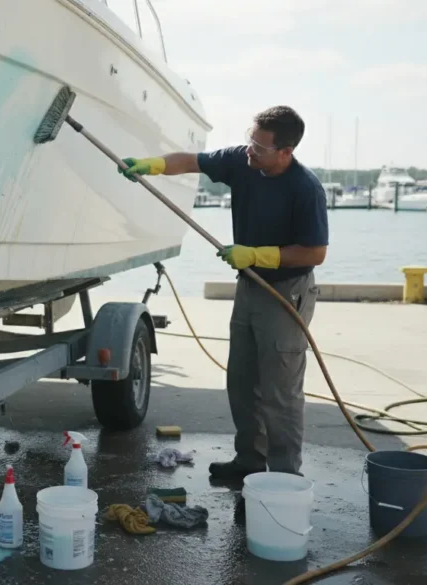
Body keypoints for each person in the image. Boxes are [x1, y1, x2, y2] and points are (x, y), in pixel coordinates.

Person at [118, 105, 328, 479]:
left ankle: (283, 478)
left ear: (286, 151)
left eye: (260, 147)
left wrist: (258, 254)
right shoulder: (241, 162)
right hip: (249, 288)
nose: (250, 150)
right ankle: (249, 461)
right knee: (242, 382)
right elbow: (192, 161)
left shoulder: (304, 187)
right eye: (251, 140)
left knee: (279, 392)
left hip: (285, 293)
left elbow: (315, 252)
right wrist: (152, 165)